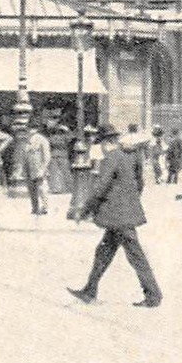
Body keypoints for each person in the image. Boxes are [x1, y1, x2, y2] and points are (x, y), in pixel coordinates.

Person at [67, 125, 162, 308]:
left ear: (105, 142)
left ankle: (153, 295)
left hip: (118, 216)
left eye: (100, 143)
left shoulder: (110, 158)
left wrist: (85, 210)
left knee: (135, 255)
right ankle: (89, 290)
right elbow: (139, 182)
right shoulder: (128, 156)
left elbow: (101, 187)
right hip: (122, 214)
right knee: (103, 252)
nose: (100, 148)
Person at [22, 126, 52, 215]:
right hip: (29, 168)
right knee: (31, 189)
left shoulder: (42, 140)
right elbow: (25, 156)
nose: (30, 130)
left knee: (42, 188)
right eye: (28, 129)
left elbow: (47, 156)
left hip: (39, 167)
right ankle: (35, 207)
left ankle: (45, 207)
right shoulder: (26, 140)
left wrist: (43, 169)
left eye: (32, 128)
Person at [47, 123, 74, 196]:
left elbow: (71, 138)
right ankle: (65, 188)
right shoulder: (63, 137)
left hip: (57, 155)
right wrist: (67, 130)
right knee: (60, 172)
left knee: (59, 172)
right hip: (60, 155)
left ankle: (57, 188)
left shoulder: (53, 137)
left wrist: (67, 130)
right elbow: (71, 138)